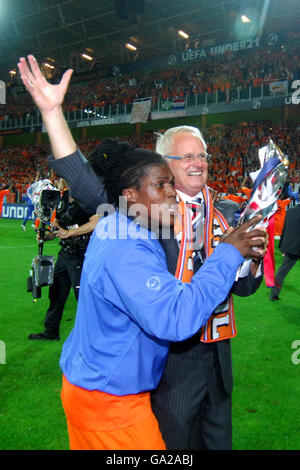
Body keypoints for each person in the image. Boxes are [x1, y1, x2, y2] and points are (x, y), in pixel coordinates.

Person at [17, 56, 267, 449]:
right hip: (167, 362)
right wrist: (52, 114)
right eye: (185, 157)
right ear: (157, 166)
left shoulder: (229, 210)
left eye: (202, 154)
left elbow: (243, 288)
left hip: (217, 355)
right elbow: (83, 176)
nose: (197, 163)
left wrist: (250, 262)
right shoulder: (137, 214)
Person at [29, 186, 99, 340]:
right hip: (65, 253)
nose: (59, 181)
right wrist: (48, 236)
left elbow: (96, 222)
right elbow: (62, 227)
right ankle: (50, 331)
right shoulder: (65, 197)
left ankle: (93, 339)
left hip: (82, 254)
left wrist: (69, 233)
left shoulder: (88, 196)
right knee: (56, 294)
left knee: (84, 298)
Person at [270, 204, 300, 301]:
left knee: (282, 272)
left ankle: (274, 294)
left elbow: (285, 229)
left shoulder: (290, 211)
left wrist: (281, 245)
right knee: (282, 272)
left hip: (290, 247)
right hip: (295, 246)